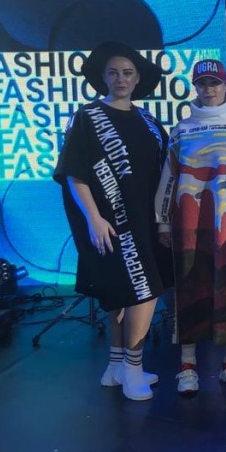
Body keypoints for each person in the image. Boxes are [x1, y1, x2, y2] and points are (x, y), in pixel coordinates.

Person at [54, 41, 169, 402]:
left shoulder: (149, 122)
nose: (121, 79)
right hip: (109, 223)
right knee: (142, 291)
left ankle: (117, 365)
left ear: (138, 78)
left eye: (128, 73)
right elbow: (74, 173)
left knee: (125, 294)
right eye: (114, 72)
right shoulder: (87, 117)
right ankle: (133, 369)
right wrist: (94, 218)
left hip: (146, 221)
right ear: (103, 77)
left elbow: (165, 172)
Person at [155, 59, 226, 395]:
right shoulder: (182, 129)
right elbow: (169, 176)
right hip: (190, 222)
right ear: (195, 88)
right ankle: (187, 365)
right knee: (189, 286)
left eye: (214, 83)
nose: (209, 90)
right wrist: (162, 220)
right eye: (202, 84)